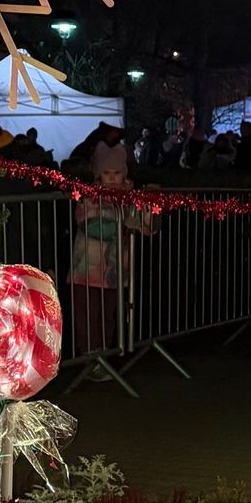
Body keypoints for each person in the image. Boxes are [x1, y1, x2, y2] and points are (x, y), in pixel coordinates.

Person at [68, 141, 154, 357]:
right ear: (99, 174)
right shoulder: (89, 196)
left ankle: (106, 354)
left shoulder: (130, 198)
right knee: (87, 315)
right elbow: (90, 225)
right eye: (107, 173)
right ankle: (90, 355)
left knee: (109, 315)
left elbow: (148, 226)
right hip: (86, 271)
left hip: (115, 271)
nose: (112, 178)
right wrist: (123, 224)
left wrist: (152, 209)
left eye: (117, 173)